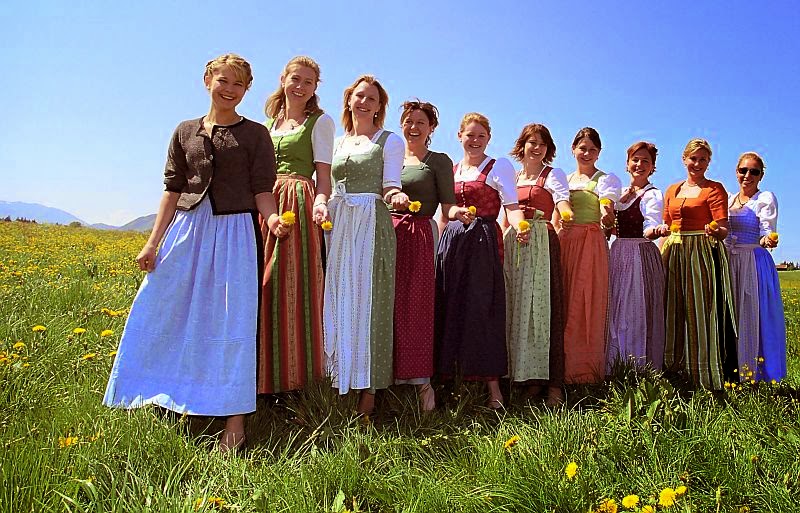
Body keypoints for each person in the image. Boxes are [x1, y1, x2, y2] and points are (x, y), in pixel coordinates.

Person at [103, 54, 288, 452]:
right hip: (187, 228)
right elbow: (172, 189)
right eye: (223, 80)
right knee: (164, 306)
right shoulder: (185, 131)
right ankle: (155, 393)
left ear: (246, 91)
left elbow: (262, 190)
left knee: (232, 319)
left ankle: (235, 418)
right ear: (207, 80)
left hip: (235, 232)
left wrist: (272, 221)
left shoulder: (256, 135)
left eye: (238, 85)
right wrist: (152, 242)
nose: (229, 89)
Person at [436, 112, 530, 409]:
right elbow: (444, 212)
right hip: (452, 242)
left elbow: (512, 207)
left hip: (482, 241)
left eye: (481, 136)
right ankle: (453, 384)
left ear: (488, 139)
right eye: (470, 135)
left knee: (482, 309)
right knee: (451, 306)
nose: (474, 141)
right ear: (459, 136)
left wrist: (520, 226)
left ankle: (494, 391)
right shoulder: (451, 169)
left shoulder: (498, 165)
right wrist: (438, 245)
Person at [323, 75, 402, 415]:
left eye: (372, 98)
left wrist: (397, 195)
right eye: (359, 96)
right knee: (339, 298)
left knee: (371, 302)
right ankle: (336, 381)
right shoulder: (337, 143)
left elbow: (390, 184)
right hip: (340, 223)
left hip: (371, 223)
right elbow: (326, 185)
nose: (364, 102)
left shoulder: (388, 141)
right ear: (349, 100)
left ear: (379, 106)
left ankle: (368, 393)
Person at [258, 56, 335, 394]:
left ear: (315, 87)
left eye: (308, 81)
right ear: (283, 79)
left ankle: (297, 380)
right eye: (295, 79)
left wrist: (320, 204)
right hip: (264, 202)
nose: (300, 86)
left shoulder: (319, 122)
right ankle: (263, 375)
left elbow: (323, 177)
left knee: (292, 285)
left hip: (297, 202)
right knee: (261, 285)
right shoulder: (270, 123)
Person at [391, 100, 463, 411]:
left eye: (421, 122)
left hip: (420, 234)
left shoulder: (438, 161)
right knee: (387, 305)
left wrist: (460, 212)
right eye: (408, 121)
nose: (413, 127)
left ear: (431, 128)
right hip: (388, 232)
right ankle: (385, 383)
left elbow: (448, 206)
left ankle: (422, 385)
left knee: (416, 307)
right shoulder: (389, 157)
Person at [654, 138, 737, 389]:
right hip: (674, 249)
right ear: (684, 159)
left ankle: (702, 373)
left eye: (702, 159)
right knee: (672, 308)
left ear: (708, 162)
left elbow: (723, 227)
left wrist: (715, 232)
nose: (697, 163)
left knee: (699, 309)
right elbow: (667, 225)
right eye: (693, 158)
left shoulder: (714, 189)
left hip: (700, 249)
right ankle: (672, 368)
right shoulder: (672, 190)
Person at [502, 123, 572, 406]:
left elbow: (562, 201)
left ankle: (551, 384)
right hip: (514, 243)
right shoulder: (513, 177)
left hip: (541, 240)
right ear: (522, 145)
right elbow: (504, 211)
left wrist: (566, 214)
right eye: (532, 142)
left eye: (542, 144)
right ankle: (523, 378)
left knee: (543, 311)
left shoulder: (552, 175)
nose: (537, 148)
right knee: (516, 309)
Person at [555, 127, 621, 384]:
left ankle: (584, 371)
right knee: (565, 299)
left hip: (591, 244)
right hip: (566, 243)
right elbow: (556, 212)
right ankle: (559, 369)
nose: (587, 153)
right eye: (582, 148)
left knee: (587, 303)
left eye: (592, 149)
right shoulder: (563, 180)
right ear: (573, 150)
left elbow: (607, 205)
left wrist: (607, 214)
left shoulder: (605, 180)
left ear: (599, 153)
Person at [725, 152, 786, 382]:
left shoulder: (765, 198)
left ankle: (758, 374)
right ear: (736, 172)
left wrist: (768, 239)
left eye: (754, 171)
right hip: (731, 262)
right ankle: (732, 370)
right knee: (732, 316)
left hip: (754, 261)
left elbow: (765, 232)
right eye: (743, 170)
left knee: (756, 315)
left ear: (761, 175)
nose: (747, 175)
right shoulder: (730, 199)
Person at [607, 142, 665, 372]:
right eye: (635, 160)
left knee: (636, 308)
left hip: (640, 253)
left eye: (645, 161)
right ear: (627, 163)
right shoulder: (621, 193)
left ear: (652, 167)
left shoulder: (653, 195)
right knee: (617, 307)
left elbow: (649, 226)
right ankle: (615, 363)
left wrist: (656, 231)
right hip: (619, 251)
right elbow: (615, 226)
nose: (639, 165)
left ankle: (637, 364)